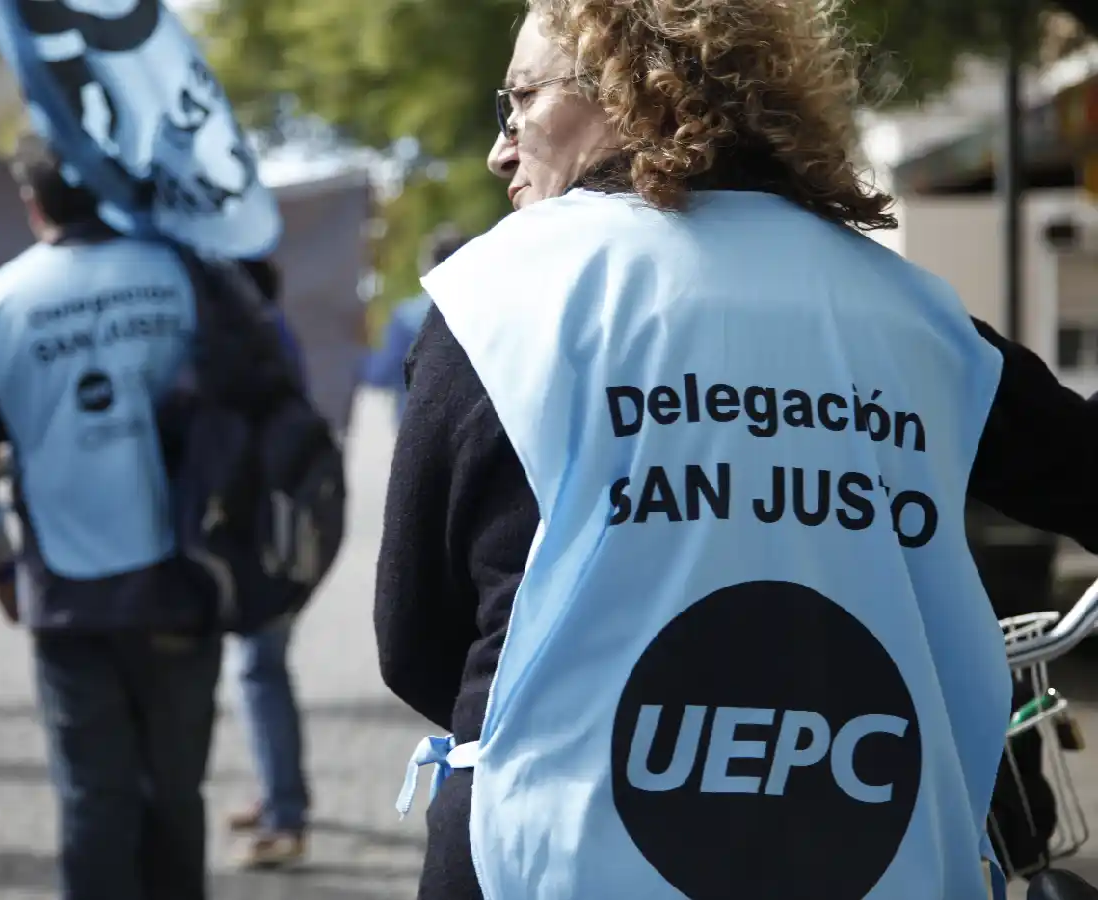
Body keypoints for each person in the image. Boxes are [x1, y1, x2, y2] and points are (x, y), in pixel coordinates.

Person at [374, 2, 1098, 899]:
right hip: (874, 845)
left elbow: (415, 640)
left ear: (634, 90)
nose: (501, 147)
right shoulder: (917, 317)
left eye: (520, 100)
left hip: (545, 855)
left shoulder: (499, 298)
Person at [0, 134, 220, 900]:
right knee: (176, 795)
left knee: (94, 798)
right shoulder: (181, 276)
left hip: (68, 592)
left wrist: (0, 569)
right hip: (184, 579)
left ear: (33, 204)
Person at [223, 256, 314, 869]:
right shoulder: (274, 334)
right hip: (278, 531)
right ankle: (276, 793)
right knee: (260, 667)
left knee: (260, 667)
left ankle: (286, 815)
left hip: (261, 537)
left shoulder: (249, 344)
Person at [361, 226, 469, 424]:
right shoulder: (486, 313)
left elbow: (381, 374)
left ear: (426, 264)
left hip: (418, 427)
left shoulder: (406, 316)